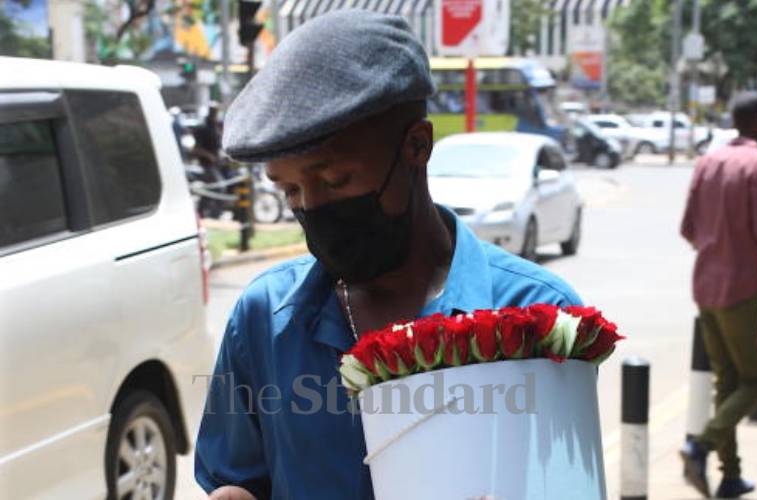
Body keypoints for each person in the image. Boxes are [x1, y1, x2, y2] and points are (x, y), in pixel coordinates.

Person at [193, 10, 582, 500]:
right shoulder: (265, 320)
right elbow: (237, 478)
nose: (312, 207)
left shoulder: (538, 319)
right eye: (289, 190)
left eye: (335, 180)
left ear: (417, 146)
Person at [679, 92, 757, 498]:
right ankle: (700, 445)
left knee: (727, 382)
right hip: (744, 287)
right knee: (755, 382)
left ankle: (730, 474)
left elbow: (688, 228)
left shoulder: (708, 161)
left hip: (705, 285)